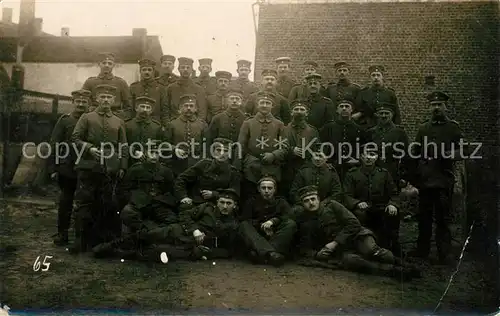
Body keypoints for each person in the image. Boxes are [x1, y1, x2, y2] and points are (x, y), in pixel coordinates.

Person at [293, 185, 420, 280]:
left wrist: (335, 242)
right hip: (343, 249)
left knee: (373, 252)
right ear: (302, 204)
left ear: (318, 199)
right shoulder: (304, 220)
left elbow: (354, 223)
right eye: (306, 201)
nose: (311, 203)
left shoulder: (332, 206)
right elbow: (305, 246)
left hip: (358, 236)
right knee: (353, 262)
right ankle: (394, 272)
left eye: (313, 199)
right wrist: (318, 254)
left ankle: (404, 264)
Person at [92, 142, 182, 259]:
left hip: (158, 204)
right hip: (138, 204)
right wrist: (133, 199)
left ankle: (151, 239)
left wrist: (162, 200)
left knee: (172, 221)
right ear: (145, 153)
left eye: (156, 153)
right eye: (151, 153)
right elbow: (123, 190)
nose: (154, 156)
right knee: (127, 213)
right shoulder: (136, 170)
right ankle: (145, 237)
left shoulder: (165, 171)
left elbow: (170, 191)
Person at [407, 91, 465, 265]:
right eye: (433, 105)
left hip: (443, 178)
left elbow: (463, 150)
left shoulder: (453, 127)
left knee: (442, 218)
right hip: (426, 179)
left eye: (440, 104)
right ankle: (422, 250)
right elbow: (415, 152)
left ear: (445, 106)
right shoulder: (424, 128)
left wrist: (450, 154)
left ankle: (444, 252)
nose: (437, 108)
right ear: (429, 107)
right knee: (423, 216)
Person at [69, 84, 128, 253]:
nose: (106, 100)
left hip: (110, 169)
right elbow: (75, 138)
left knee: (106, 203)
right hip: (88, 166)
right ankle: (80, 240)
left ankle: (101, 241)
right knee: (84, 203)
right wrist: (89, 148)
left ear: (114, 100)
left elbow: (123, 146)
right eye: (102, 97)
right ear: (96, 99)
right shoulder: (87, 118)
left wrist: (122, 166)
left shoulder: (118, 121)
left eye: (109, 97)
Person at [47, 89, 91, 246]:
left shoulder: (92, 120)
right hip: (68, 169)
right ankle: (62, 233)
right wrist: (53, 168)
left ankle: (83, 237)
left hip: (87, 168)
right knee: (66, 201)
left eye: (84, 102)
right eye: (78, 101)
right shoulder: (65, 121)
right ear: (73, 103)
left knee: (86, 203)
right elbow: (54, 144)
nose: (80, 104)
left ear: (89, 103)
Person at [342, 145, 402, 256]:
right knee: (359, 216)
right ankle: (361, 246)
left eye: (372, 155)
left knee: (392, 214)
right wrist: (357, 203)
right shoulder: (352, 174)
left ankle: (390, 247)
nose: (368, 157)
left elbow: (394, 193)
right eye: (366, 154)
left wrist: (392, 204)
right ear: (361, 157)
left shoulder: (383, 173)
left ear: (376, 157)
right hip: (361, 208)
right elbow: (346, 195)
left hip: (380, 207)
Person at [238, 91, 288, 200]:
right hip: (251, 168)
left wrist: (273, 155)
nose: (264, 105)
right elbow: (240, 146)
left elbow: (285, 147)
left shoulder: (279, 124)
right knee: (251, 197)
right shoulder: (248, 123)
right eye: (262, 102)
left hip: (272, 168)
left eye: (267, 103)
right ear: (257, 105)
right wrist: (242, 164)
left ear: (272, 106)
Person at [238, 177, 297, 266]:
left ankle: (261, 254)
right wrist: (261, 225)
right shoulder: (251, 202)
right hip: (257, 235)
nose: (266, 191)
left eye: (269, 188)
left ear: (274, 190)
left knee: (291, 224)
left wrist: (273, 222)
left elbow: (289, 216)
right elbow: (245, 219)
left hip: (275, 234)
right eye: (263, 188)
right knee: (244, 225)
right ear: (259, 189)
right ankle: (271, 254)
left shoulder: (281, 202)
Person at [174, 138, 241, 211]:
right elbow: (181, 179)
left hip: (218, 207)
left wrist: (214, 194)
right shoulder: (204, 164)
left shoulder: (233, 171)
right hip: (196, 204)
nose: (222, 154)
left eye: (226, 151)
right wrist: (184, 197)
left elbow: (235, 193)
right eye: (218, 150)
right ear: (213, 152)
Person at [176, 188, 242, 260]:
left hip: (193, 247)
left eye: (229, 203)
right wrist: (194, 230)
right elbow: (184, 214)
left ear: (235, 205)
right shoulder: (207, 208)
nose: (225, 206)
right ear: (217, 202)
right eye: (222, 202)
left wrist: (209, 252)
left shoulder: (235, 224)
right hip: (183, 232)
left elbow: (229, 251)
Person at [319, 97, 366, 182]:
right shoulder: (328, 127)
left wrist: (358, 160)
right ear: (337, 110)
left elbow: (363, 148)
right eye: (341, 106)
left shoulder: (359, 129)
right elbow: (321, 146)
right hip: (332, 167)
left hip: (353, 167)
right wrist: (325, 162)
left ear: (352, 110)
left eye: (347, 106)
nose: (344, 108)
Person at [162, 94, 208, 176]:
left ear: (196, 108)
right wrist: (175, 149)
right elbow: (164, 144)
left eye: (191, 106)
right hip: (176, 163)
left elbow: (206, 145)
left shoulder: (202, 125)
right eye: (186, 106)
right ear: (180, 108)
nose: (189, 108)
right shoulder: (172, 124)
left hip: (196, 163)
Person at [281, 99, 319, 198]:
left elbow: (317, 149)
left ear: (307, 113)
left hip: (306, 168)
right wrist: (291, 150)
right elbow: (277, 146)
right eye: (296, 109)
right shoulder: (283, 129)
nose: (299, 111)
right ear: (291, 112)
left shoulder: (312, 131)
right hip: (287, 168)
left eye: (302, 109)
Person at [82, 52, 131, 119]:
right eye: (104, 63)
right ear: (99, 64)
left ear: (113, 65)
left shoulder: (121, 83)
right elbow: (83, 101)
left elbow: (128, 106)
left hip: (115, 117)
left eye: (110, 63)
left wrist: (120, 117)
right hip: (94, 117)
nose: (107, 65)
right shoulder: (90, 82)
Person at [164, 57, 207, 122]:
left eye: (188, 67)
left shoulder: (199, 89)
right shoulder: (171, 88)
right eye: (183, 67)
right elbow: (166, 108)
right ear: (178, 69)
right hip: (175, 123)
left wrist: (198, 125)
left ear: (192, 70)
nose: (185, 70)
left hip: (193, 123)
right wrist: (168, 123)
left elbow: (202, 111)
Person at [125, 96, 163, 165]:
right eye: (142, 106)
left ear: (151, 111)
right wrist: (134, 151)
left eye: (148, 107)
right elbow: (122, 144)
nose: (145, 110)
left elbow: (159, 146)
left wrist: (151, 154)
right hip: (130, 161)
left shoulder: (156, 127)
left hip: (149, 163)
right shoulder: (127, 125)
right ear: (136, 108)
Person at [129, 58, 167, 125]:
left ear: (153, 72)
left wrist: (164, 125)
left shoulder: (161, 88)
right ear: (140, 71)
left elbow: (164, 109)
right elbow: (130, 108)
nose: (147, 72)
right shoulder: (133, 87)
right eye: (144, 70)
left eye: (149, 70)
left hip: (156, 124)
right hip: (137, 123)